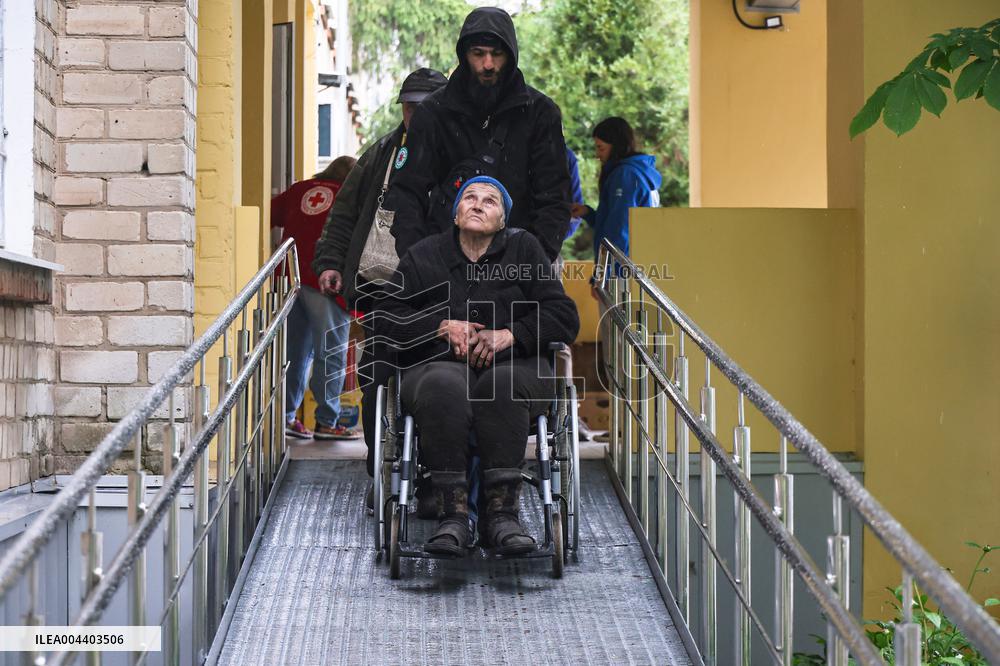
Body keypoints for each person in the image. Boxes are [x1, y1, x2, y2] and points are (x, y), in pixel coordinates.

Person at [377, 176, 580, 557]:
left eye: (490, 201)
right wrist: (439, 325)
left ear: (503, 220)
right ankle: (452, 517)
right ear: (455, 214)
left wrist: (512, 334)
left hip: (518, 364)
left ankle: (502, 516)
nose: (478, 204)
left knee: (499, 387)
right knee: (444, 386)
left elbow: (564, 316)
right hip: (439, 363)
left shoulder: (524, 249)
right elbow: (386, 317)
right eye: (469, 197)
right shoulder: (425, 254)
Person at [312, 69, 448, 506]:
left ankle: (436, 479)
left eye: (424, 106)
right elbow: (345, 214)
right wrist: (331, 262)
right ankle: (382, 473)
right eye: (409, 106)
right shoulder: (382, 153)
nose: (414, 113)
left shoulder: (462, 152)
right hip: (382, 285)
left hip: (443, 292)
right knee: (378, 377)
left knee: (439, 382)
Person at [384, 6, 572, 264]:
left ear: (511, 55)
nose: (488, 64)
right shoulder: (433, 113)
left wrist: (532, 261)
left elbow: (554, 198)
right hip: (444, 265)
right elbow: (408, 193)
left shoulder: (540, 113)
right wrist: (419, 259)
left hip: (518, 265)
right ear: (464, 55)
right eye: (478, 54)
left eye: (497, 54)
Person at [272, 156, 362, 440]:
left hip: (290, 278)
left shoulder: (300, 190)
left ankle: (285, 419)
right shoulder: (349, 197)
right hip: (326, 281)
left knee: (294, 353)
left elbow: (271, 213)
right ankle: (327, 421)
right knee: (331, 353)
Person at [570, 116, 663, 391]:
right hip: (634, 273)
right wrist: (589, 214)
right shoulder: (640, 173)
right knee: (628, 348)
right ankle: (624, 429)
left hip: (620, 277)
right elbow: (616, 222)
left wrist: (602, 276)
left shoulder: (624, 175)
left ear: (616, 146)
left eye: (601, 148)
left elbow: (619, 234)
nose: (598, 155)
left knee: (617, 349)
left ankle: (622, 429)